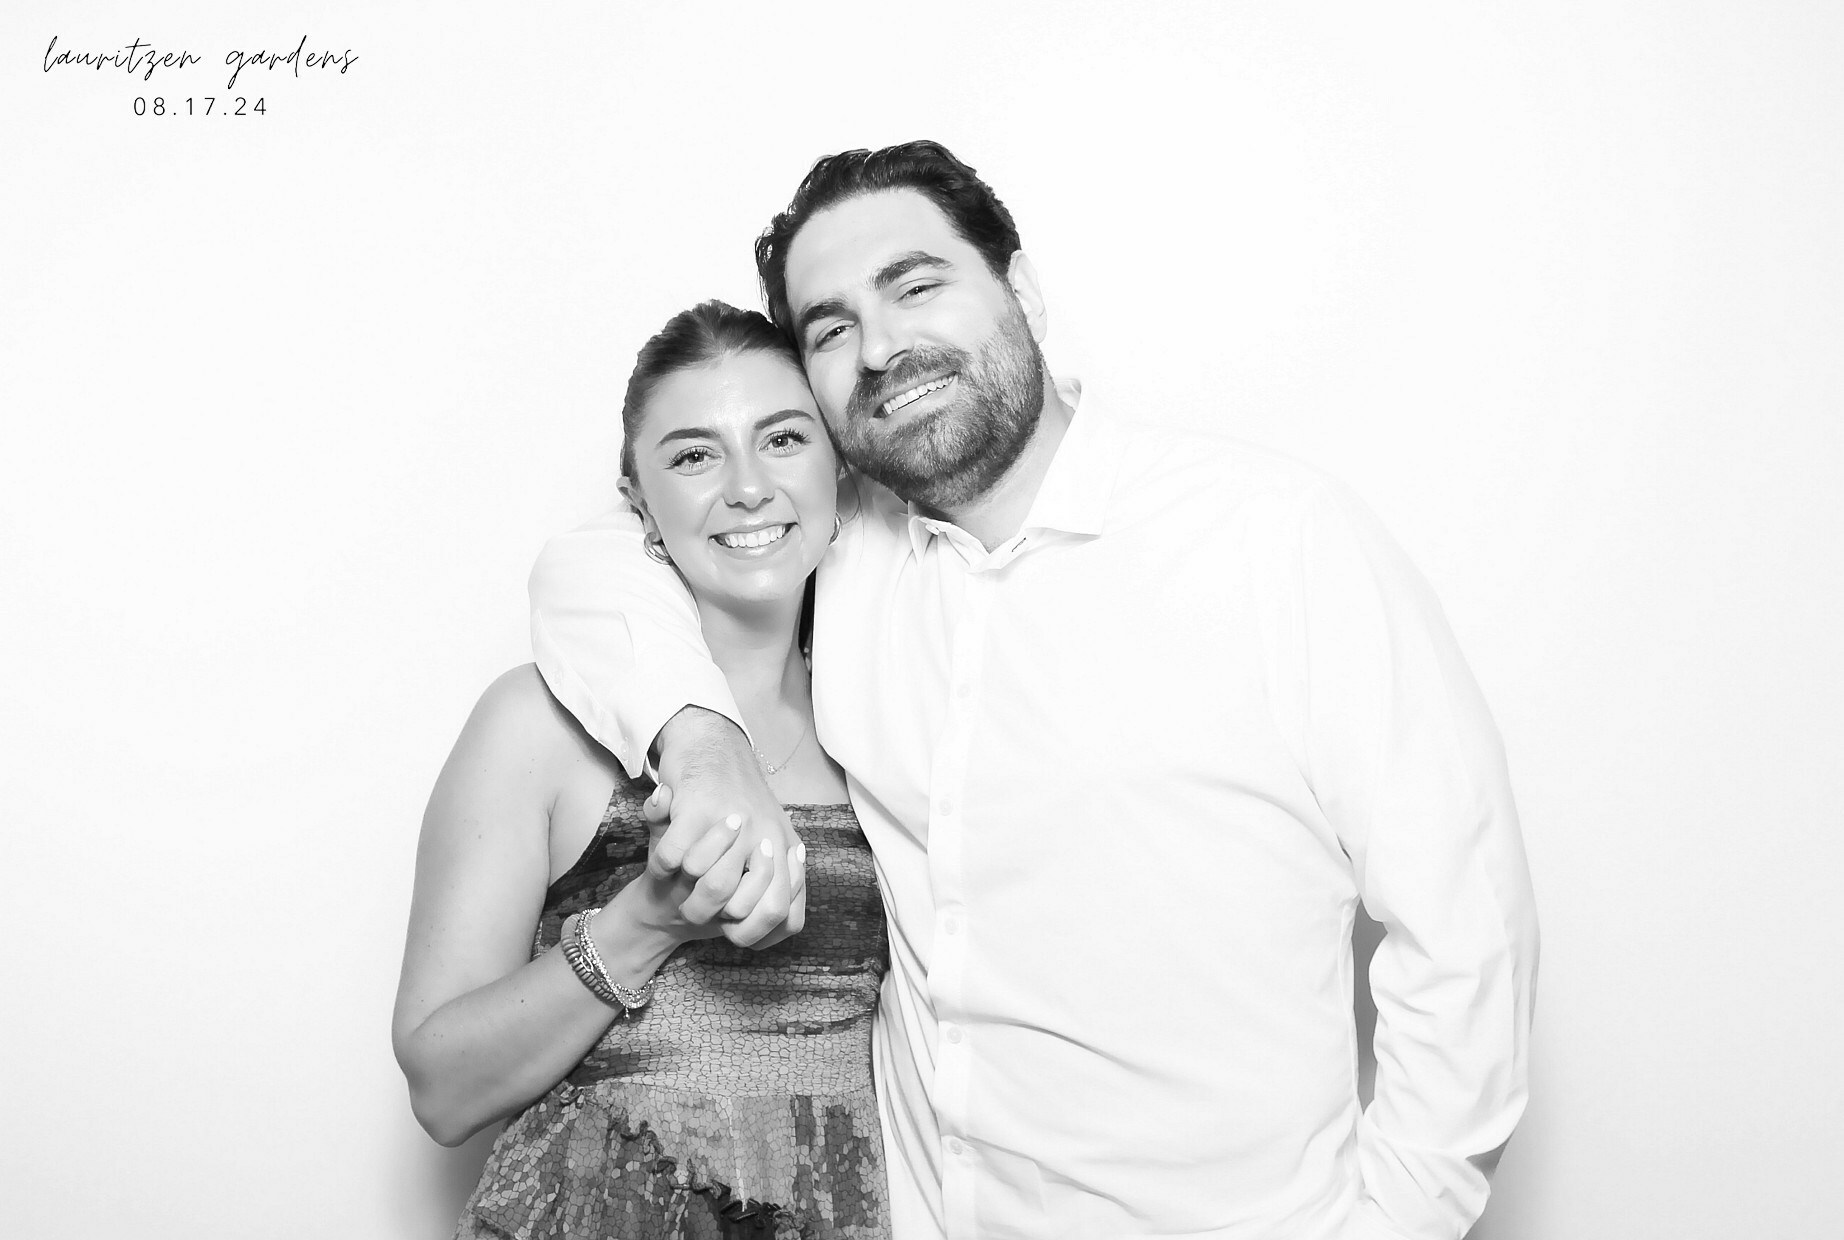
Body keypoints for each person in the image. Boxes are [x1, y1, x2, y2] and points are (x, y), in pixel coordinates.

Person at [527, 142, 1540, 1240]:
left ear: (1022, 291)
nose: (882, 347)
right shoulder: (843, 553)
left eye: (916, 286)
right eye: (831, 328)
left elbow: (1467, 932)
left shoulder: (1273, 540)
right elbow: (596, 560)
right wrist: (702, 742)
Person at [394, 301, 892, 1239]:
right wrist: (646, 923)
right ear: (639, 502)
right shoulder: (535, 723)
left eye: (783, 439)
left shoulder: (887, 730)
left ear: (840, 467)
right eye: (695, 456)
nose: (749, 488)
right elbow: (442, 1089)